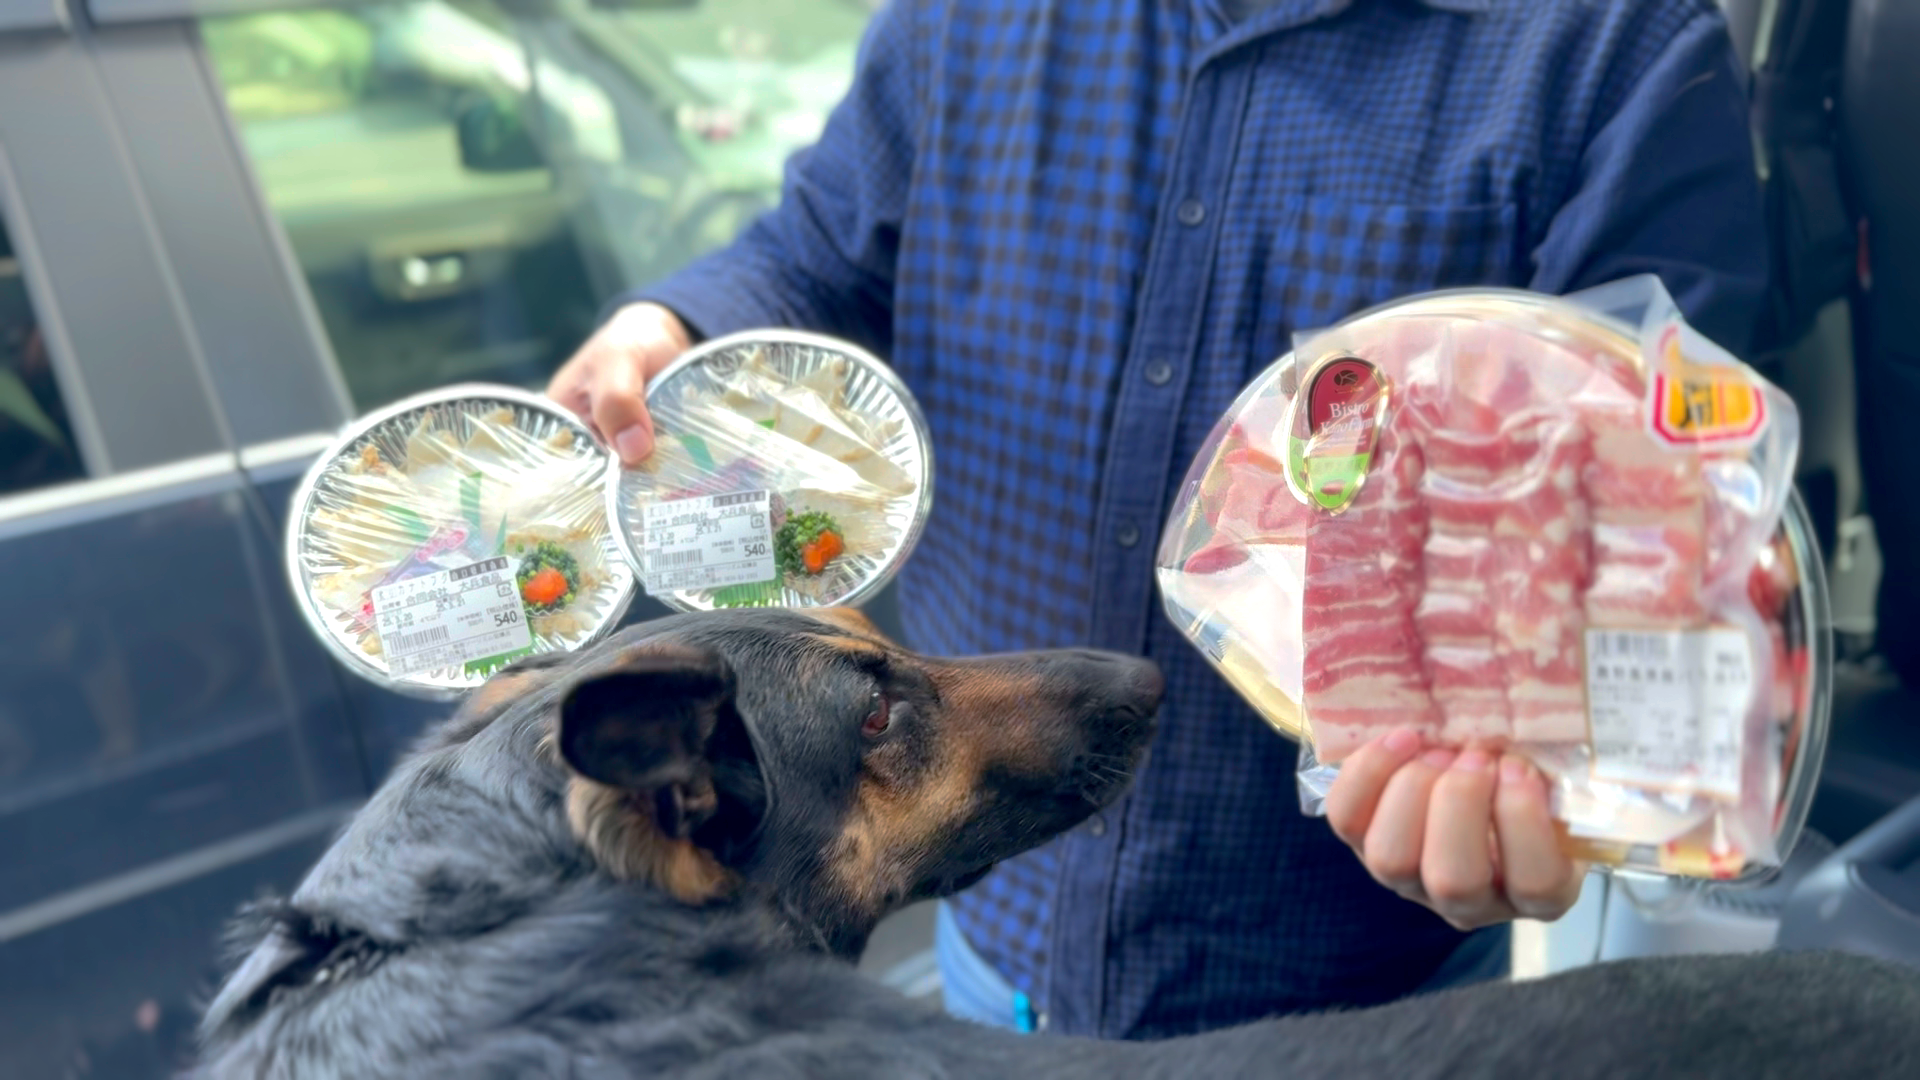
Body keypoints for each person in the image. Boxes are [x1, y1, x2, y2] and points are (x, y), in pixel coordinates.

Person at [549, 0, 1767, 1041]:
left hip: (1350, 1014)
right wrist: (673, 329)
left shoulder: (1614, 47)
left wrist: (1566, 788)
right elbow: (816, 255)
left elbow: (1661, 541)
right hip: (985, 964)